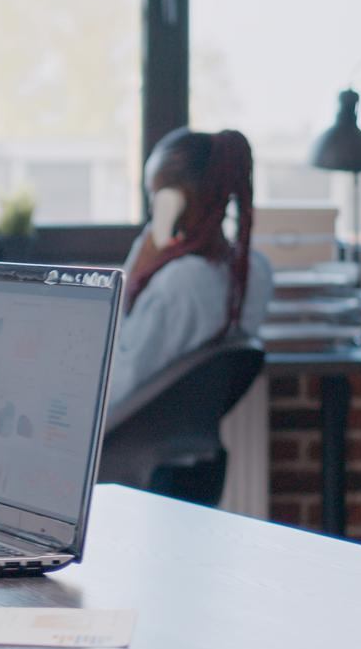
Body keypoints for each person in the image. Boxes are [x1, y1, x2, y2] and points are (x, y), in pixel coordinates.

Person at [107, 127, 274, 427]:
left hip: (137, 446)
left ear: (172, 201)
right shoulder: (255, 272)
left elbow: (118, 384)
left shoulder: (180, 284)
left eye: (155, 196)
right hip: (188, 446)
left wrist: (136, 270)